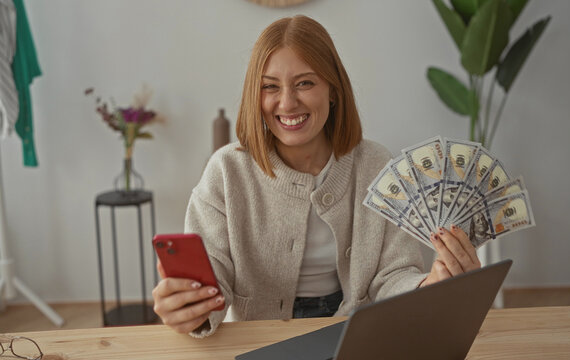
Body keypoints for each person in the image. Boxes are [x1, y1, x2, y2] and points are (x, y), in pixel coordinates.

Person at [152, 15, 481, 338]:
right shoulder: (225, 171)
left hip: (357, 333)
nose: (287, 102)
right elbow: (212, 278)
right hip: (259, 339)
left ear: (333, 90)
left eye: (304, 83)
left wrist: (430, 284)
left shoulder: (378, 164)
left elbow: (393, 276)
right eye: (270, 87)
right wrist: (189, 305)